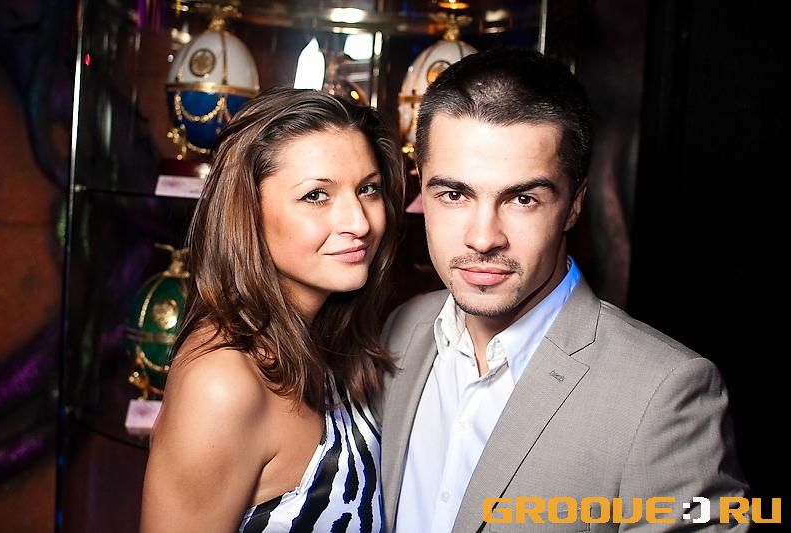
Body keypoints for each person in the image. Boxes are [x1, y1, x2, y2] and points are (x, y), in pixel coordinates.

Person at [378, 47, 748, 532]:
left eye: (522, 198)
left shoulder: (665, 396)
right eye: (454, 194)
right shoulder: (401, 329)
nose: (484, 237)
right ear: (421, 191)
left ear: (574, 205)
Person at [141, 87, 404, 532]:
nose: (359, 222)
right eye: (316, 196)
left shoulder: (324, 340)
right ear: (248, 212)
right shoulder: (222, 384)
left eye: (368, 189)